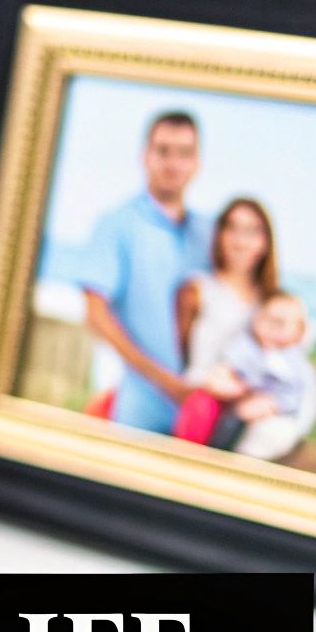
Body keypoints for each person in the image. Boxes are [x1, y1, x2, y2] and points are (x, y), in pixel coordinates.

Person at [76, 111, 213, 434]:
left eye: (184, 153)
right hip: (137, 410)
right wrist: (163, 380)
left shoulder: (207, 234)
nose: (173, 163)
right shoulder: (117, 224)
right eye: (163, 151)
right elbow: (96, 315)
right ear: (144, 156)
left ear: (197, 163)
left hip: (199, 415)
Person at [196, 291, 316, 461]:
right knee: (230, 421)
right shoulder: (246, 347)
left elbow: (297, 397)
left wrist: (273, 404)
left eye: (281, 323)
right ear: (256, 318)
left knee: (261, 438)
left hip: (273, 413)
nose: (273, 327)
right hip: (239, 405)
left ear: (298, 332)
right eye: (268, 318)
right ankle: (212, 457)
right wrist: (234, 388)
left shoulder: (294, 361)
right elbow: (228, 370)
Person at [176, 198, 277, 387]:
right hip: (201, 398)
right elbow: (175, 359)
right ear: (219, 235)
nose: (241, 240)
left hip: (250, 406)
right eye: (232, 228)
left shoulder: (272, 300)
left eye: (252, 231)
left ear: (266, 240)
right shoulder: (196, 289)